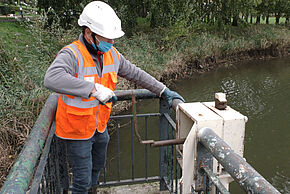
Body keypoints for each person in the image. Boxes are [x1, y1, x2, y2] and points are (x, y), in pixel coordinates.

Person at [44, 1, 184, 193]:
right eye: (107, 39)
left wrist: (162, 90)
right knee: (81, 180)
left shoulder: (112, 55)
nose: (111, 43)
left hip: (99, 127)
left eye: (112, 39)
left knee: (96, 168)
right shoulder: (72, 54)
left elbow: (136, 74)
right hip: (76, 131)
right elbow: (52, 79)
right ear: (88, 33)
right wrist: (93, 89)